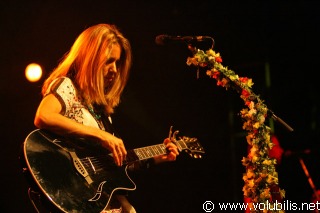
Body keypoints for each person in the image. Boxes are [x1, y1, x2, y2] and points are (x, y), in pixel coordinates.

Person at [33, 23, 179, 213]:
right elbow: (43, 116)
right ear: (90, 58)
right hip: (76, 196)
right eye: (109, 61)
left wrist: (155, 158)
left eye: (117, 63)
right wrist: (102, 136)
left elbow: (109, 169)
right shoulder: (67, 85)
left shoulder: (101, 111)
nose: (115, 70)